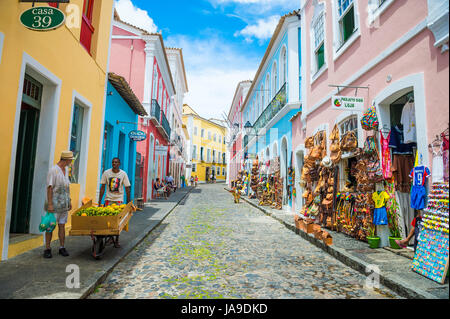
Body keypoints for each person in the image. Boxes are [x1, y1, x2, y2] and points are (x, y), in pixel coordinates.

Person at [44, 150, 74, 258]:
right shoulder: (53, 170)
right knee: (50, 226)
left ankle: (62, 247)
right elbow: (49, 188)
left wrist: (69, 200)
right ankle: (47, 248)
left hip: (64, 204)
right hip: (54, 204)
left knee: (62, 225)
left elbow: (67, 187)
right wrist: (50, 204)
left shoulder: (66, 169)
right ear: (66, 160)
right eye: (71, 159)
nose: (71, 161)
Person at [98, 157, 131, 248]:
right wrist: (99, 200)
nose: (114, 164)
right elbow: (102, 188)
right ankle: (109, 236)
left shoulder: (123, 174)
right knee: (107, 219)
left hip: (119, 200)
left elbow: (127, 188)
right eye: (113, 162)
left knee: (117, 221)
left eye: (116, 162)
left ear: (119, 164)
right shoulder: (106, 173)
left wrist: (128, 202)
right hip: (108, 199)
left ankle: (116, 240)